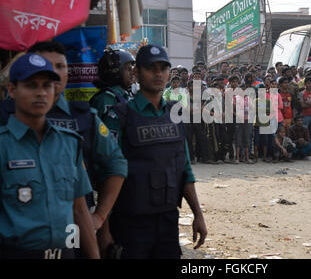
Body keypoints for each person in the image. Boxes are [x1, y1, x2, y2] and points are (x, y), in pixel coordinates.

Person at [0, 42, 128, 258]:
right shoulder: (4, 139)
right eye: (31, 85)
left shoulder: (70, 141)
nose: (41, 93)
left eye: (47, 85)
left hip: (68, 249)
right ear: (12, 90)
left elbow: (80, 207)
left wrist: (99, 221)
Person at [102, 44, 207, 258]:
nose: (158, 73)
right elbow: (105, 175)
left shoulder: (174, 115)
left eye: (163, 68)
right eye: (151, 68)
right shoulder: (119, 117)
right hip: (130, 223)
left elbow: (184, 168)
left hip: (168, 221)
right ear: (136, 73)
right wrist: (103, 229)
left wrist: (198, 214)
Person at [89, 48, 135, 122]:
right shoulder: (106, 99)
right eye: (129, 69)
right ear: (115, 72)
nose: (133, 73)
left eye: (132, 69)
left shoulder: (125, 95)